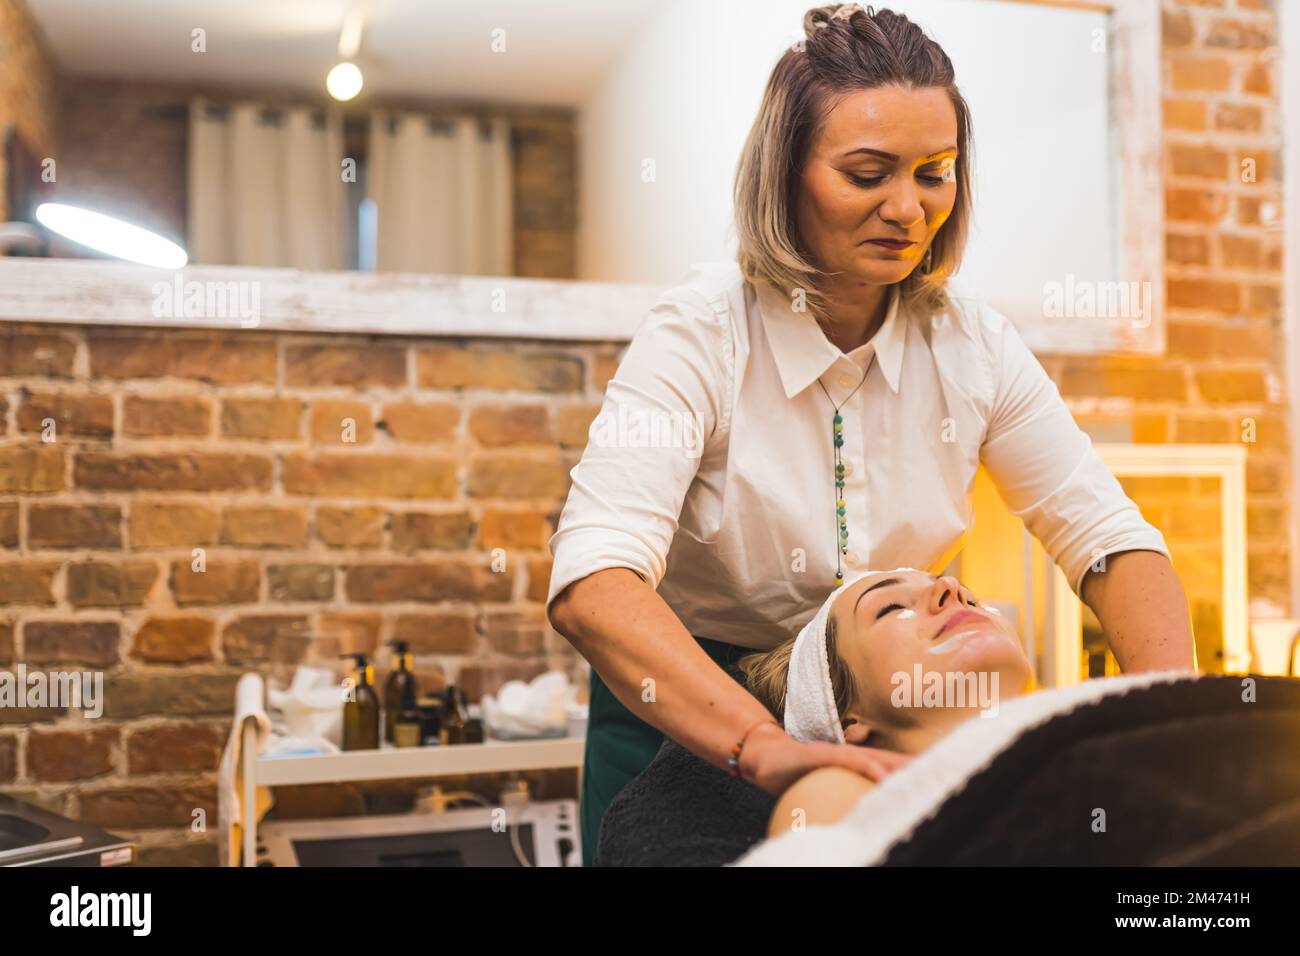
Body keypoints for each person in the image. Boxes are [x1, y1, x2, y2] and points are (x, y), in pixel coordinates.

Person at [547, 3, 1195, 866]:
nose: (908, 208)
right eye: (867, 172)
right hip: (688, 704)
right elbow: (594, 582)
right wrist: (763, 744)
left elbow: (1111, 542)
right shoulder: (702, 332)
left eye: (935, 172)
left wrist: (1173, 730)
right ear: (786, 175)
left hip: (897, 702)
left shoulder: (973, 346)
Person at [738, 567, 1034, 836]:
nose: (952, 586)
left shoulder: (1072, 731)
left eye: (972, 600)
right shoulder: (836, 798)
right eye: (891, 608)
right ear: (845, 720)